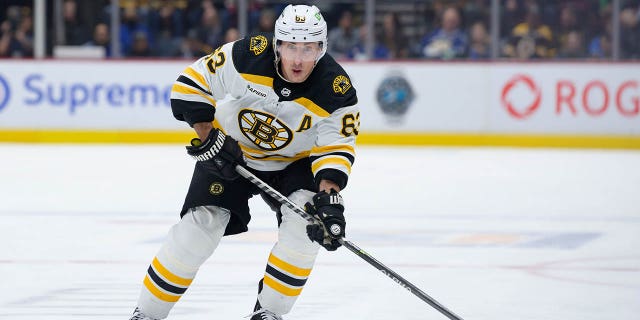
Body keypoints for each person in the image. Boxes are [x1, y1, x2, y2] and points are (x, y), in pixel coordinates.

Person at [129, 4, 359, 320]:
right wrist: (209, 137)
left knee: (305, 230)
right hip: (232, 151)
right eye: (291, 45)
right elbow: (192, 82)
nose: (297, 58)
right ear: (278, 43)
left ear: (322, 48)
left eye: (308, 48)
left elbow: (336, 147)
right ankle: (147, 314)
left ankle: (269, 313)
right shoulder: (246, 55)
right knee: (199, 228)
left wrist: (329, 199)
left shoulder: (336, 89)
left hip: (295, 163)